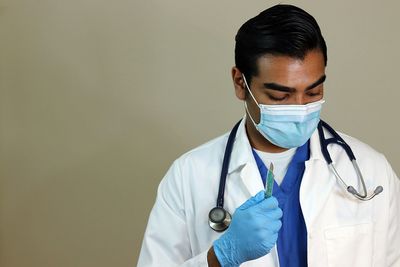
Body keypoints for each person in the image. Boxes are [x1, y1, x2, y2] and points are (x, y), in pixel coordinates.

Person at [137, 4, 400, 267]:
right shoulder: (189, 176)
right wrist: (220, 257)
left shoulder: (371, 171)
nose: (299, 109)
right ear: (241, 83)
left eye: (313, 93)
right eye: (279, 96)